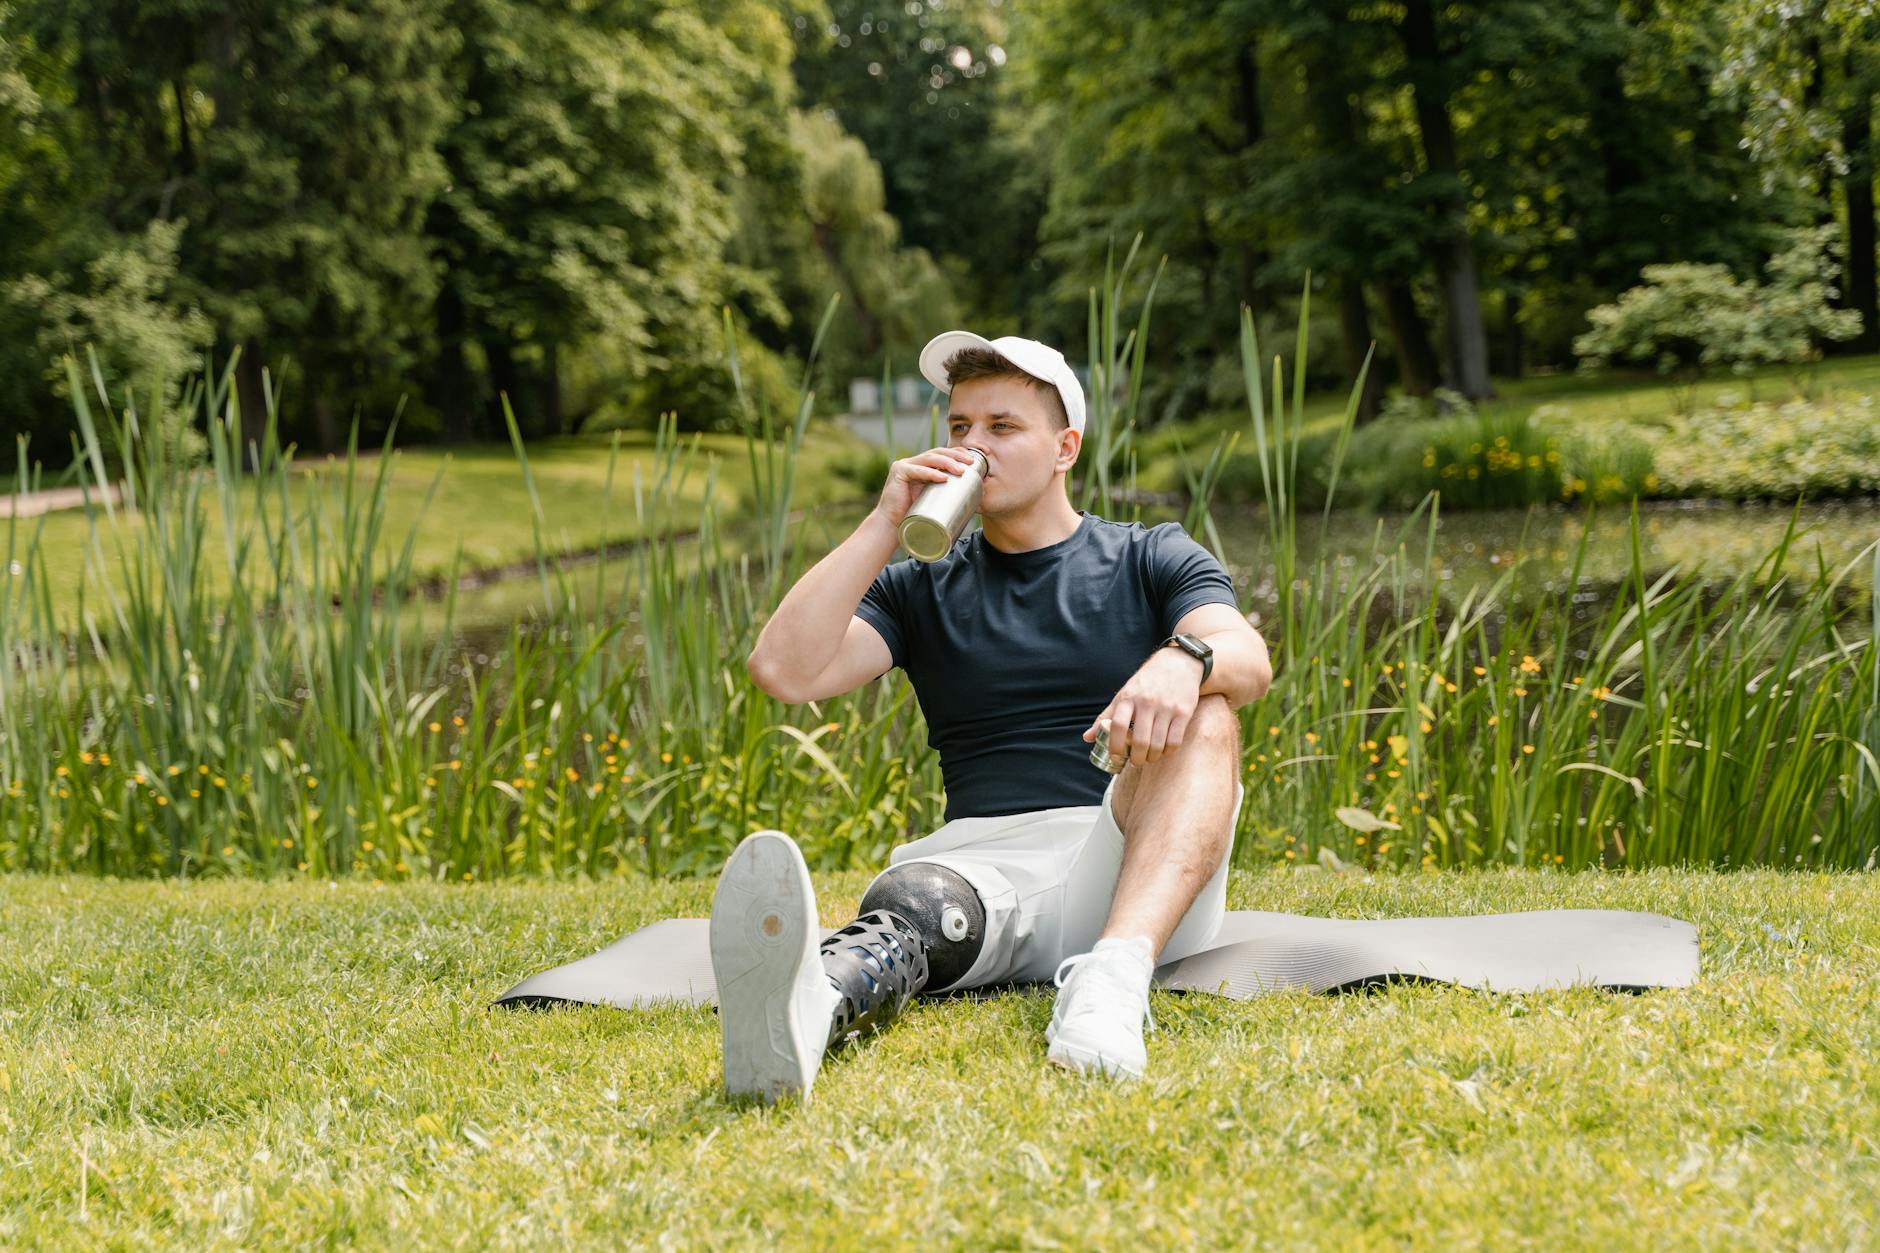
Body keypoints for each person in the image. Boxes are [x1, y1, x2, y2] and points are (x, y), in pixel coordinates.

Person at [714, 329, 1273, 1103]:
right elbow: (782, 670)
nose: (974, 446)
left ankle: (1112, 984)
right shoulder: (919, 588)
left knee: (1210, 713)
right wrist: (885, 522)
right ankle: (809, 1009)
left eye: (1002, 427)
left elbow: (1247, 655)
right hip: (981, 874)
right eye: (959, 428)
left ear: (1064, 448)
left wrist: (1184, 661)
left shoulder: (1149, 555)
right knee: (917, 906)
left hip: (1126, 862)